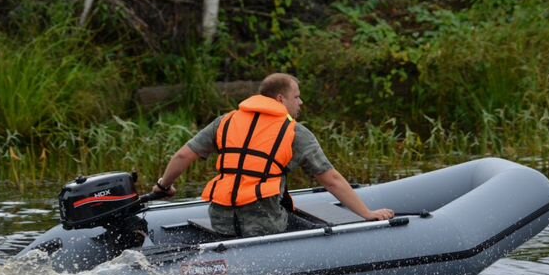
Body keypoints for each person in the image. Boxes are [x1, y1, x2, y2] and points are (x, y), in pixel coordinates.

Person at [152, 73, 394, 237]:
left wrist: (164, 186)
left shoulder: (225, 122)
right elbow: (331, 179)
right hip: (264, 221)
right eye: (297, 96)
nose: (301, 102)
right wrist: (367, 213)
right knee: (316, 230)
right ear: (280, 98)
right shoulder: (295, 132)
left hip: (221, 219)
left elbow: (183, 156)